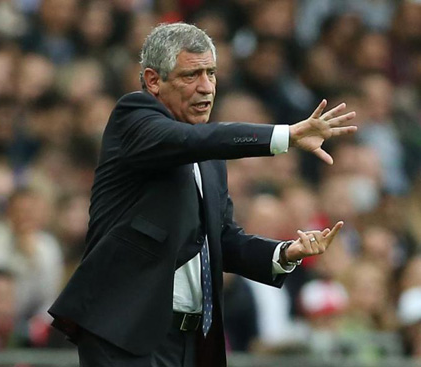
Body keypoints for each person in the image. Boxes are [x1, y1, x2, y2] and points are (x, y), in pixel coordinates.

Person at [48, 23, 357, 367]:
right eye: (191, 75)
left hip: (190, 341)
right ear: (153, 81)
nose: (206, 87)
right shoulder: (132, 118)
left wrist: (284, 252)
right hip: (124, 335)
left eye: (211, 73)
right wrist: (286, 134)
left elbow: (220, 238)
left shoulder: (209, 156)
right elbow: (196, 140)